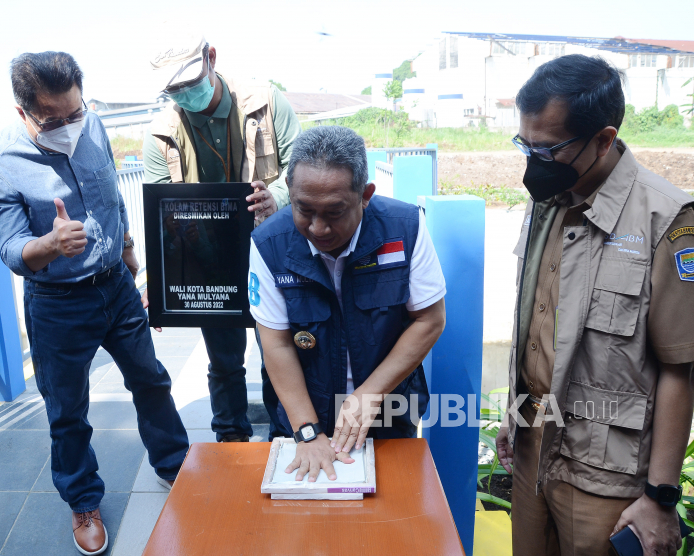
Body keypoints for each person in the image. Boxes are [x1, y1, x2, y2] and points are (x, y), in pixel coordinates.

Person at [0, 52, 189, 556]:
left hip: (115, 285)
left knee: (151, 379)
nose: (71, 126)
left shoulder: (90, 125)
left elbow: (111, 197)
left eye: (76, 112)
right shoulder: (0, 167)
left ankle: (174, 463)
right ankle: (83, 500)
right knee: (68, 411)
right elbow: (11, 250)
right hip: (58, 303)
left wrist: (132, 256)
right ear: (23, 111)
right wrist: (50, 244)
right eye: (55, 119)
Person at [495, 54, 694, 556]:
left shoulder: (665, 219)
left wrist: (660, 497)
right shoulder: (546, 201)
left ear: (603, 139)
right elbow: (537, 329)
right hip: (533, 451)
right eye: (525, 144)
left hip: (605, 475)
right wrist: (515, 414)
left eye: (548, 148)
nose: (533, 161)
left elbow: (680, 367)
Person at [249, 125, 447, 481]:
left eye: (334, 212)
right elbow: (276, 343)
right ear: (290, 193)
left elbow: (429, 320)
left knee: (390, 515)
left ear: (365, 195)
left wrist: (370, 394)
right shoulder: (269, 243)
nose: (318, 228)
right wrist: (306, 430)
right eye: (304, 209)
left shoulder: (405, 229)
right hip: (305, 409)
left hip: (387, 409)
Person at [143, 31, 301, 442]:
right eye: (173, 89)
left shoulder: (266, 103)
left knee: (278, 356)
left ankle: (285, 439)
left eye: (190, 83)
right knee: (225, 362)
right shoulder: (160, 134)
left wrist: (276, 196)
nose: (184, 94)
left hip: (273, 254)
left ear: (211, 58)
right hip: (210, 261)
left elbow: (301, 167)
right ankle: (231, 443)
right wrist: (157, 283)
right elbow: (162, 216)